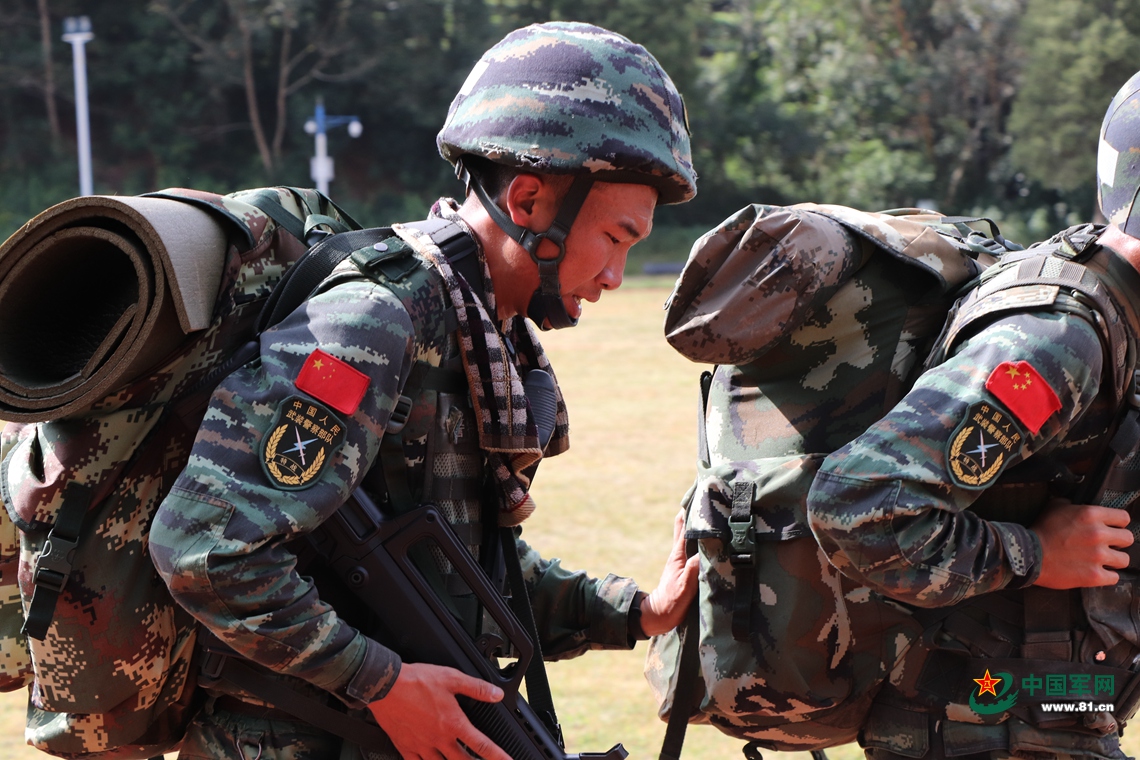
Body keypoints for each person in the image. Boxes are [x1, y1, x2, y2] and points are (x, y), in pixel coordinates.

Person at [148, 21, 700, 760]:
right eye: (615, 238)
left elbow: (457, 581)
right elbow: (205, 546)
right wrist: (378, 682)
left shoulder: (480, 330)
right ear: (529, 200)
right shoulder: (376, 321)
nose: (615, 277)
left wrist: (635, 611)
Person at [805, 71, 1140, 760]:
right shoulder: (1058, 337)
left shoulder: (1119, 317)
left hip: (1048, 720)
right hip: (981, 730)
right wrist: (1035, 554)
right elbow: (859, 505)